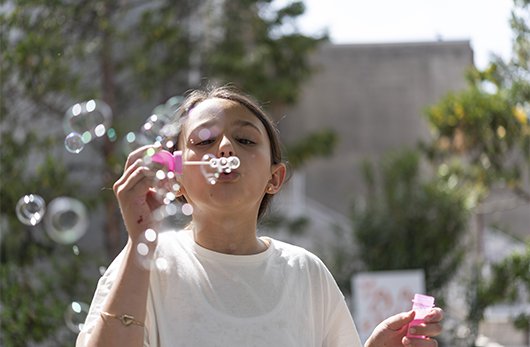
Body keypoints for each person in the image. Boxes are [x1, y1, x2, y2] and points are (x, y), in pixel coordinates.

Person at [77, 85, 443, 347]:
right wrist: (141, 238)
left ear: (274, 178)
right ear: (177, 176)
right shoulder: (146, 263)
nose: (224, 148)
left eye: (246, 140)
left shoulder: (306, 273)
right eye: (203, 141)